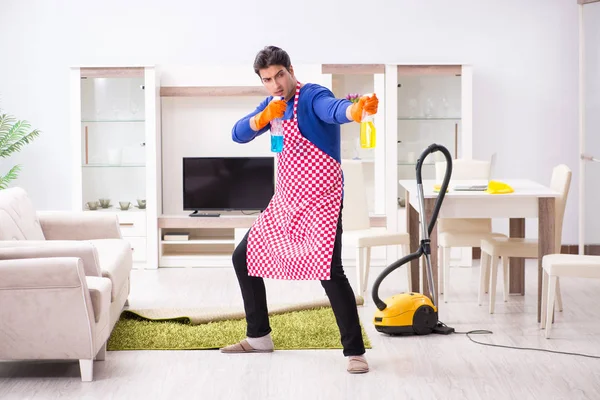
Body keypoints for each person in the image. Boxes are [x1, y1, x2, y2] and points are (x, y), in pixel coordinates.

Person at [220, 45, 378, 374]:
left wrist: (355, 111)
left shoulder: (311, 96)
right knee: (242, 258)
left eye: (280, 74)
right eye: (268, 79)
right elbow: (238, 135)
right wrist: (260, 118)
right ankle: (259, 336)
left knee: (330, 272)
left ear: (290, 70)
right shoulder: (272, 105)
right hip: (287, 200)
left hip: (322, 199)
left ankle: (354, 352)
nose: (276, 84)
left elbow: (333, 109)